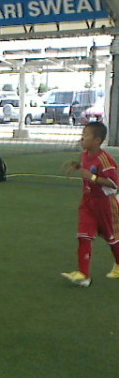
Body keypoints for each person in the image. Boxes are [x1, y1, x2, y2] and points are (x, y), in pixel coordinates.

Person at [61, 122, 119, 287]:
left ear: (97, 140)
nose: (82, 138)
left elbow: (114, 184)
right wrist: (77, 165)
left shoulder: (105, 160)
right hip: (88, 201)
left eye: (86, 135)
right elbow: (86, 167)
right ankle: (83, 275)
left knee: (112, 238)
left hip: (105, 204)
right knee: (84, 235)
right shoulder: (85, 154)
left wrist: (92, 177)